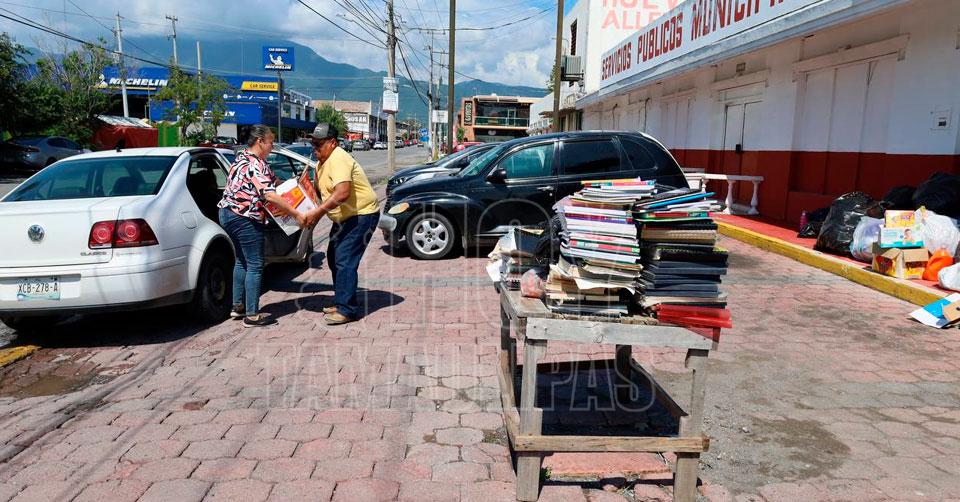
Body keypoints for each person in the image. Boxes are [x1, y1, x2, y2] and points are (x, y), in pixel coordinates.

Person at [218, 124, 307, 328]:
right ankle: (252, 314)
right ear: (260, 142)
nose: (272, 146)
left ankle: (238, 306)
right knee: (256, 264)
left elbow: (273, 182)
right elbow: (269, 195)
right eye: (270, 142)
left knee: (242, 260)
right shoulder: (255, 164)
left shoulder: (243, 158)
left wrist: (293, 185)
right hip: (244, 217)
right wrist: (296, 213)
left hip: (228, 215)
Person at [305, 123, 380, 325]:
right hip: (344, 217)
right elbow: (321, 193)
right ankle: (341, 300)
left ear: (332, 143)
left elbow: (342, 193)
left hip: (361, 214)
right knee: (333, 256)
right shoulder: (322, 163)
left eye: (319, 144)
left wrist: (318, 213)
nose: (315, 148)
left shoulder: (338, 158)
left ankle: (347, 310)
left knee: (345, 260)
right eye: (313, 143)